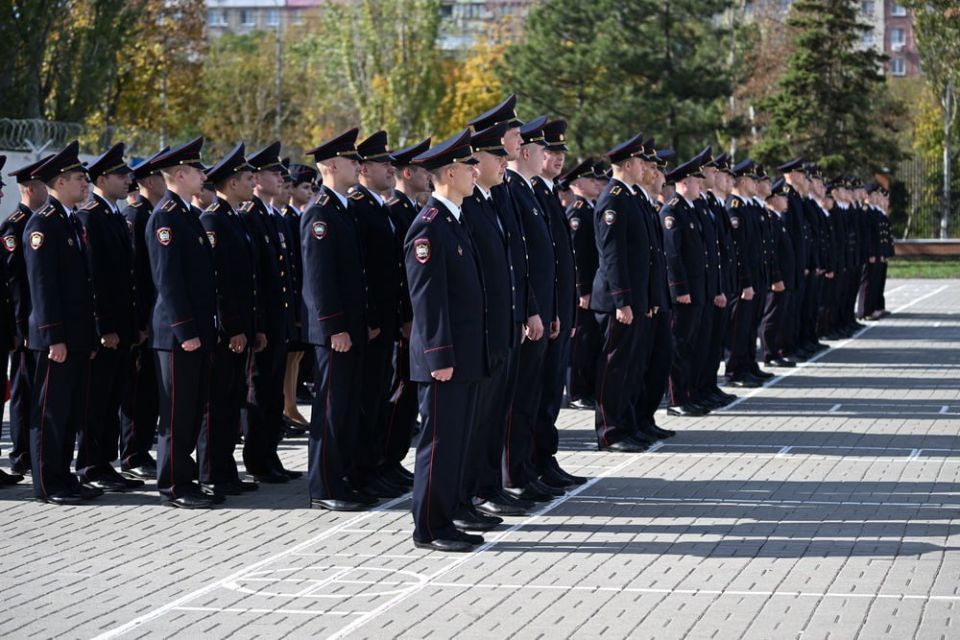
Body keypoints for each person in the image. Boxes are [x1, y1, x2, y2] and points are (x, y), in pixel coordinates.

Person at [405, 129, 487, 552]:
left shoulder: (455, 221)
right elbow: (428, 300)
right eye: (470, 166)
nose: (477, 172)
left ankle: (446, 519)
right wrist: (439, 355)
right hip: (444, 359)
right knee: (437, 444)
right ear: (450, 173)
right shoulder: (429, 228)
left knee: (456, 441)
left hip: (465, 355)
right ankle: (429, 527)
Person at [22, 141, 99, 505]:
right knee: (50, 412)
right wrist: (54, 336)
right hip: (56, 338)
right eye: (79, 179)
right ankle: (47, 484)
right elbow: (42, 286)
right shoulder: (43, 225)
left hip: (76, 336)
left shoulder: (69, 221)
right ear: (60, 182)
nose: (86, 185)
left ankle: (63, 476)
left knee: (68, 413)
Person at [144, 136, 219, 509]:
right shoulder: (166, 218)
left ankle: (185, 478)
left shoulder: (186, 213)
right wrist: (186, 330)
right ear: (181, 174)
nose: (204, 174)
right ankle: (172, 485)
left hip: (194, 333)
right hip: (177, 336)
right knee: (175, 413)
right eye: (199, 170)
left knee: (190, 410)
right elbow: (168, 281)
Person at [301, 128, 372, 511]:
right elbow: (319, 278)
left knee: (345, 408)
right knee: (330, 410)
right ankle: (325, 485)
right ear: (330, 165)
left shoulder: (341, 208)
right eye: (351, 160)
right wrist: (334, 327)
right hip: (336, 332)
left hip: (351, 327)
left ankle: (341, 478)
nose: (358, 165)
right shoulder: (320, 213)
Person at [74, 143, 143, 491]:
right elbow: (95, 278)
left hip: (123, 326)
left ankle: (105, 462)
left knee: (114, 396)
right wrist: (105, 327)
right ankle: (90, 464)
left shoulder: (112, 214)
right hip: (108, 329)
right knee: (97, 400)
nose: (128, 179)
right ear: (102, 178)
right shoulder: (90, 216)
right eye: (121, 174)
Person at [199, 143, 263, 497]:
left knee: (231, 399)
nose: (252, 182)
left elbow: (246, 281)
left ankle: (226, 470)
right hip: (226, 331)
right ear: (232, 182)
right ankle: (211, 471)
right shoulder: (213, 220)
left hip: (241, 328)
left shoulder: (234, 218)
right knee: (217, 403)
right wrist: (232, 327)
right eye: (247, 178)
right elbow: (219, 282)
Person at [347, 130, 406, 499]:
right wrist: (369, 317)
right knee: (364, 401)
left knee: (376, 399)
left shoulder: (375, 205)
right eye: (384, 163)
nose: (391, 169)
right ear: (364, 168)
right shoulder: (357, 206)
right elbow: (362, 271)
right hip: (370, 323)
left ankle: (373, 466)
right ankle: (361, 470)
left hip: (384, 321)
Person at [239, 141, 298, 483]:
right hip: (264, 323)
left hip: (280, 321)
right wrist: (258, 322)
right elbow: (254, 278)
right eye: (274, 173)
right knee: (259, 392)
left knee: (274, 393)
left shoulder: (274, 218)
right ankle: (257, 459)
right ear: (256, 178)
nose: (281, 178)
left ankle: (270, 455)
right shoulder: (251, 217)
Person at [591, 133, 652, 453]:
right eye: (641, 162)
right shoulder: (613, 198)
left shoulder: (631, 196)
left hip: (634, 298)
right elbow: (612, 254)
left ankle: (627, 425)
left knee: (629, 367)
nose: (646, 167)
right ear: (628, 164)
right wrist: (622, 300)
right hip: (618, 301)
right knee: (613, 369)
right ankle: (610, 432)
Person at [120, 146, 169, 480]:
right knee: (138, 392)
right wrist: (140, 322)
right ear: (149, 180)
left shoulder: (152, 212)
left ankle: (140, 450)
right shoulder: (137, 215)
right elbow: (135, 274)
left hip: (153, 318)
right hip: (142, 321)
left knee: (150, 391)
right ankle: (133, 453)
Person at [2, 154, 52, 479]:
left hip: (36, 322)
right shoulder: (14, 225)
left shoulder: (39, 222)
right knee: (22, 390)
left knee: (32, 388)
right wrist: (20, 327)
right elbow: (15, 282)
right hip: (24, 325)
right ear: (32, 189)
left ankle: (30, 452)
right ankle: (20, 453)